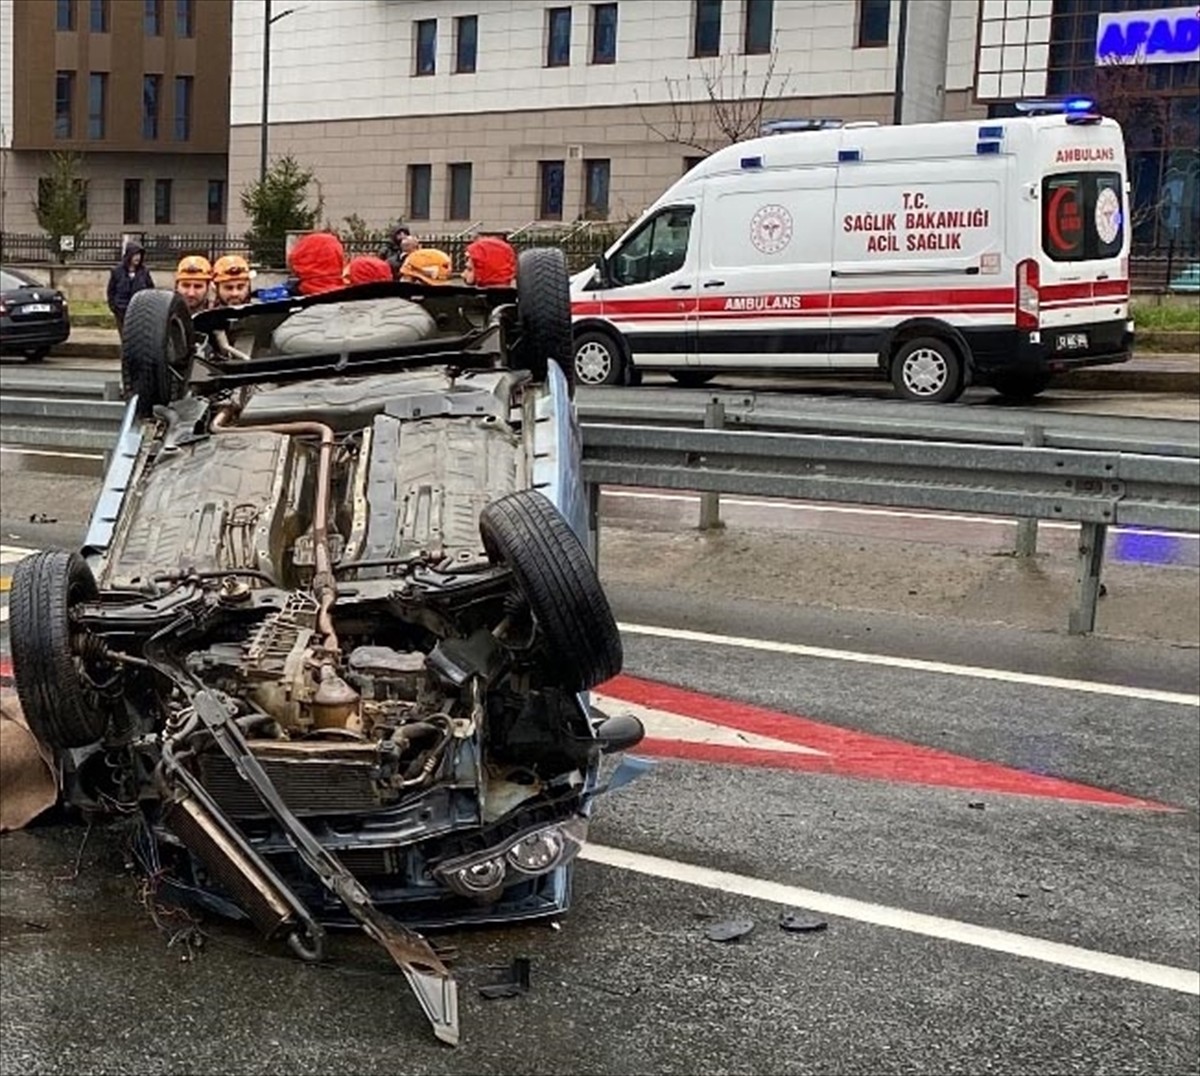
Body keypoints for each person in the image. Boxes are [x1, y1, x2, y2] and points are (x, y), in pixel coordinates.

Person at [106, 243, 155, 336]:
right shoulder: (117, 271)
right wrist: (114, 307)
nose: (138, 258)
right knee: (125, 336)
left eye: (139, 255)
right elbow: (111, 291)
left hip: (139, 311)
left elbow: (150, 289)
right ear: (129, 255)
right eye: (135, 255)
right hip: (122, 310)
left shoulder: (144, 272)